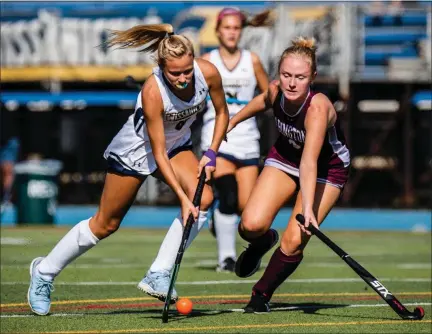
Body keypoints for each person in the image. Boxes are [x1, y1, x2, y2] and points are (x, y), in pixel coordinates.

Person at [27, 23, 229, 316]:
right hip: (136, 151)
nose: (184, 79)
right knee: (105, 224)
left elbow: (222, 112)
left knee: (205, 199)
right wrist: (183, 200)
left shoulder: (207, 72)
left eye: (187, 71)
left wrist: (211, 153)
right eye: (175, 73)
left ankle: (158, 273)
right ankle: (44, 272)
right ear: (161, 66)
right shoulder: (152, 91)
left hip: (176, 146)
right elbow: (157, 153)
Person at [227, 37, 351, 313]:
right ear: (278, 74)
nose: (292, 83)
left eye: (300, 77)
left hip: (326, 169)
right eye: (286, 75)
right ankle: (262, 242)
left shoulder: (317, 110)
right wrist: (233, 121)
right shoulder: (276, 91)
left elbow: (310, 163)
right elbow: (262, 101)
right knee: (250, 225)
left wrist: (308, 210)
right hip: (285, 158)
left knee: (294, 240)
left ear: (313, 77)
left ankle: (261, 294)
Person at [199, 7, 270, 272]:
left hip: (248, 140)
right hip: (218, 138)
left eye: (236, 28)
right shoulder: (207, 60)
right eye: (227, 27)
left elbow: (269, 94)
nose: (231, 32)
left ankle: (219, 223)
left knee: (247, 209)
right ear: (218, 31)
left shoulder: (252, 61)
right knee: (227, 196)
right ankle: (226, 258)